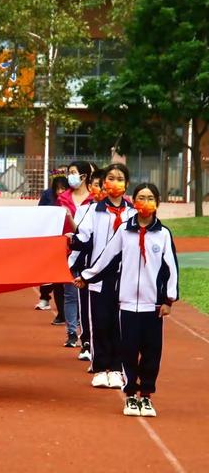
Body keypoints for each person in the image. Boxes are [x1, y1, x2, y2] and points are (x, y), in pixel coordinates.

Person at [75, 183, 178, 417]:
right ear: (135, 201)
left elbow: (171, 269)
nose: (145, 202)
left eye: (150, 197)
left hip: (153, 306)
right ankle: (131, 395)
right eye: (141, 197)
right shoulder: (124, 230)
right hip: (128, 304)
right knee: (128, 351)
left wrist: (168, 300)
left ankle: (147, 396)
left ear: (157, 203)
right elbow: (106, 258)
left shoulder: (162, 234)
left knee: (152, 352)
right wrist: (85, 276)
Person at [70, 163, 136, 388]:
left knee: (120, 323)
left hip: (124, 277)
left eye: (119, 179)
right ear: (104, 182)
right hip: (97, 276)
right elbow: (85, 240)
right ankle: (100, 367)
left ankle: (117, 368)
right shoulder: (93, 211)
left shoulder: (133, 213)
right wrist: (71, 239)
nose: (114, 183)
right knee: (99, 321)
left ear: (126, 184)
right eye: (110, 178)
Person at [69, 169, 106, 361]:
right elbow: (81, 239)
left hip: (109, 268)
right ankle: (86, 342)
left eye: (103, 184)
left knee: (105, 307)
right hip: (87, 266)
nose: (100, 188)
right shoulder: (85, 210)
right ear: (90, 186)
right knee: (86, 305)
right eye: (96, 184)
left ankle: (104, 344)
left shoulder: (122, 211)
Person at [56, 161, 93, 348]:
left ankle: (87, 333)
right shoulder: (63, 198)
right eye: (69, 172)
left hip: (88, 253)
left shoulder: (95, 199)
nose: (69, 176)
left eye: (73, 172)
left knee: (87, 295)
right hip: (67, 251)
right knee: (70, 294)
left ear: (84, 176)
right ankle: (71, 331)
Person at [35, 174, 69, 326]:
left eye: (63, 189)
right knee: (57, 281)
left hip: (71, 244)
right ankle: (61, 313)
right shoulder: (48, 197)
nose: (60, 192)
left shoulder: (73, 202)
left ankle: (72, 314)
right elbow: (40, 215)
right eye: (58, 189)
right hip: (55, 244)